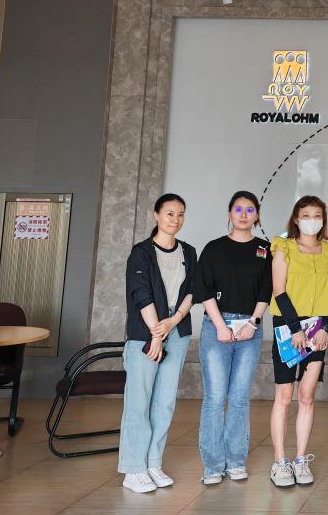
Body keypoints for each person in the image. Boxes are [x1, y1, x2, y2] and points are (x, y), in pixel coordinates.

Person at [118, 194, 197, 493]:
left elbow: (193, 291)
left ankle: (153, 463)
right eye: (169, 213)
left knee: (164, 402)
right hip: (146, 334)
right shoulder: (141, 253)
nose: (175, 219)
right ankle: (133, 469)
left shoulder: (189, 251)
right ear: (156, 215)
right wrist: (156, 334)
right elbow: (141, 294)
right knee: (139, 402)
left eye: (180, 214)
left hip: (177, 331)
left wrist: (173, 322)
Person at [195, 190, 272, 485]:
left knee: (239, 398)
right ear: (229, 213)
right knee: (215, 397)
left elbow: (266, 290)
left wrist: (253, 322)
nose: (243, 214)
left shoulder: (264, 249)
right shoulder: (214, 248)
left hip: (250, 328)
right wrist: (220, 326)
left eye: (250, 209)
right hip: (217, 325)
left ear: (257, 216)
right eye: (238, 209)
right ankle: (213, 465)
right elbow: (203, 288)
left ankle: (236, 461)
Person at [268, 195, 328, 488]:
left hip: (317, 329)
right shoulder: (283, 247)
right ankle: (280, 461)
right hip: (288, 328)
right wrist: (295, 328)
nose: (312, 220)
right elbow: (279, 290)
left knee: (307, 396)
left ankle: (300, 459)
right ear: (296, 219)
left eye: (317, 215)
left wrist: (326, 328)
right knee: (284, 397)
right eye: (306, 215)